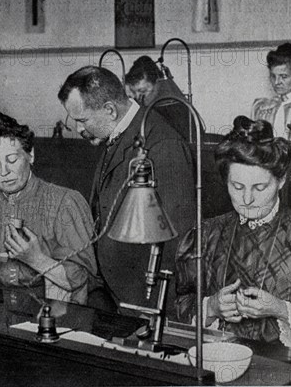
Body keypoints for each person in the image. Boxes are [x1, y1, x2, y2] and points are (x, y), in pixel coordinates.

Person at [174, 116, 291, 352]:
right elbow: (177, 306)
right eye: (237, 187)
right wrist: (211, 307)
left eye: (259, 187)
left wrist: (280, 309)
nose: (247, 199)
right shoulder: (206, 234)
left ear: (281, 181)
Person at [58, 66, 195, 312]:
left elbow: (178, 239)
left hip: (146, 302)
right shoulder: (119, 135)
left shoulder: (163, 144)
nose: (78, 129)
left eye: (82, 120)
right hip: (117, 297)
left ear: (110, 110)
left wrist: (157, 308)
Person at [0, 113, 100, 305]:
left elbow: (84, 280)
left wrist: (36, 259)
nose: (4, 172)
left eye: (12, 160)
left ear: (30, 155)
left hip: (48, 314)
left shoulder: (66, 202)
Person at [125, 55, 202, 142]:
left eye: (143, 91)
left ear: (158, 83)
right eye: (134, 92)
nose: (138, 98)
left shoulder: (172, 109)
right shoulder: (151, 108)